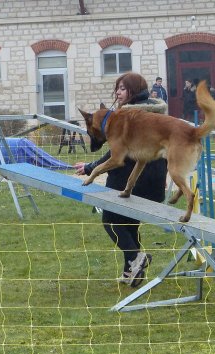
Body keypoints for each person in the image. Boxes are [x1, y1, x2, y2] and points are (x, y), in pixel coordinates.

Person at [74, 72, 168, 287]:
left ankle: (137, 258)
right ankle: (131, 273)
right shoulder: (155, 110)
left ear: (134, 90)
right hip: (154, 178)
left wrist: (90, 168)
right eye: (117, 87)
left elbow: (116, 154)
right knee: (130, 225)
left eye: (123, 88)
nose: (118, 92)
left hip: (131, 179)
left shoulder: (129, 115)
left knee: (111, 221)